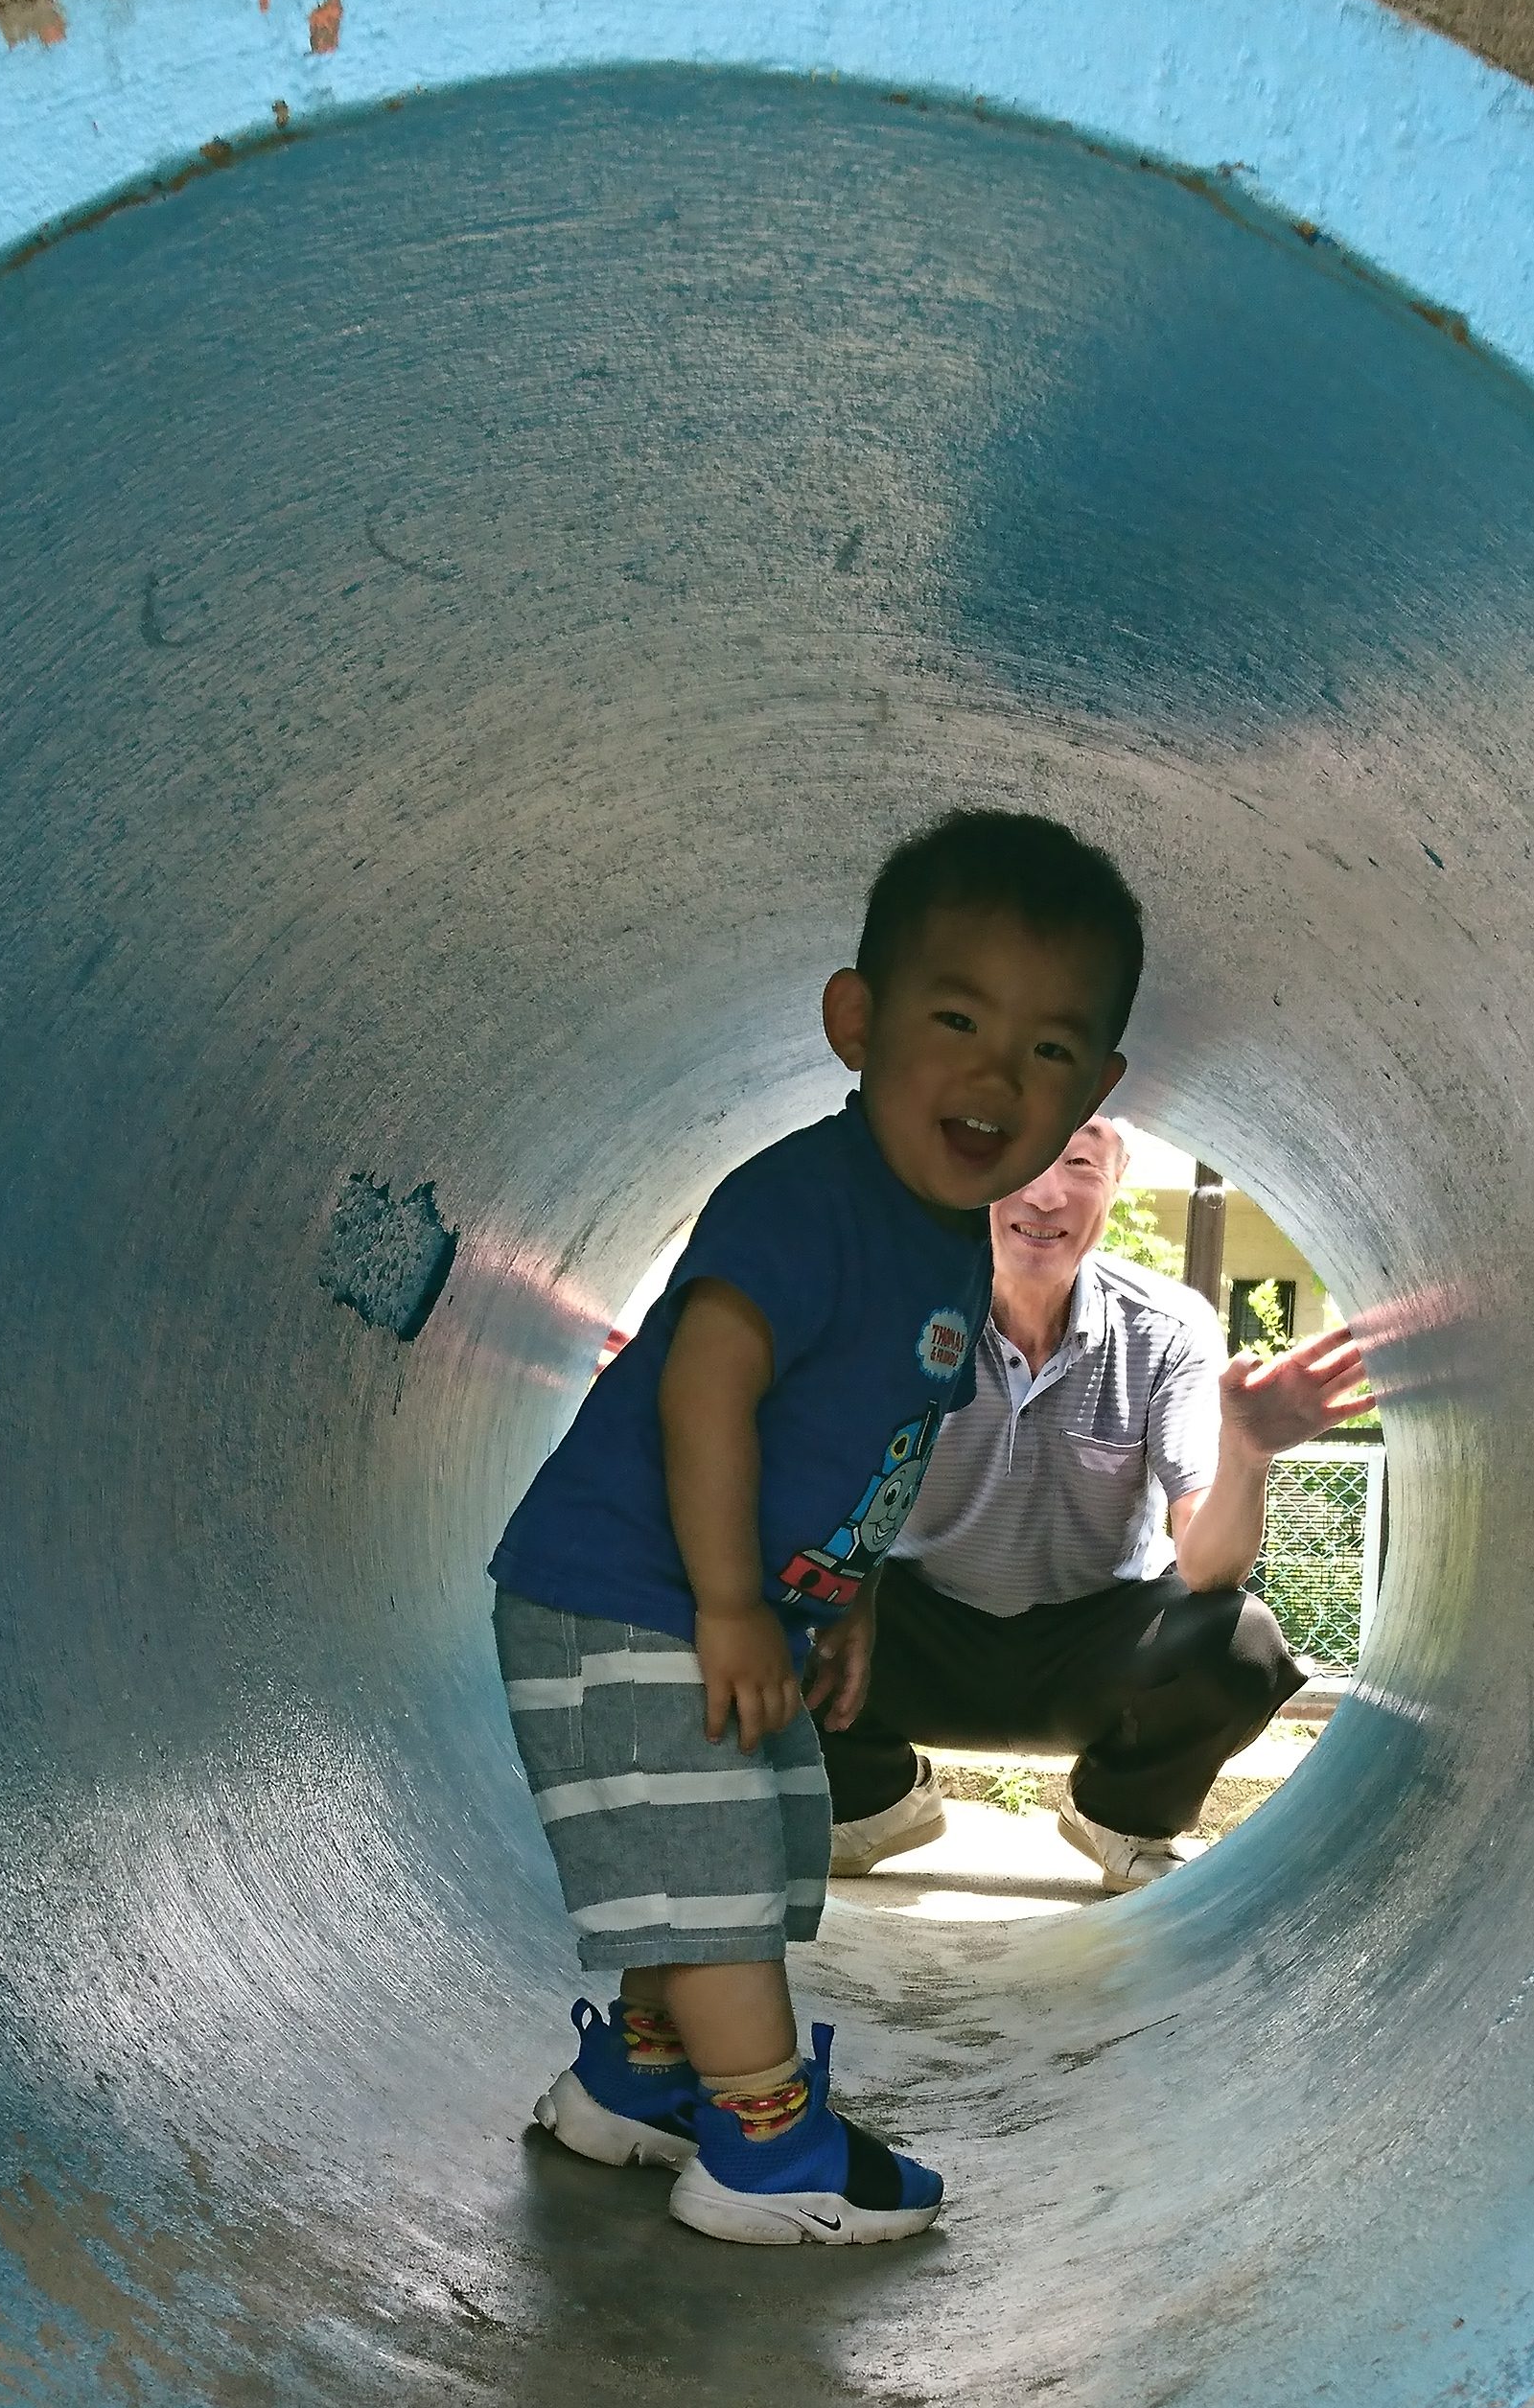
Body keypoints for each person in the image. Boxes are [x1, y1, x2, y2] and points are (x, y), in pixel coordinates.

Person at [488, 808, 1146, 2243]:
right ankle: (764, 2147)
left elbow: (868, 1442)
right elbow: (707, 1385)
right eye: (956, 1019)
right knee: (714, 1872)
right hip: (628, 1591)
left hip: (717, 1603)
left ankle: (640, 2082)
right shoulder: (808, 1200)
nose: (995, 1075)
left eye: (1047, 1048)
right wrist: (731, 1604)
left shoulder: (945, 1240)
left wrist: (844, 1600)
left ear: (1095, 1087)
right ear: (857, 1021)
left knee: (744, 1845)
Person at [812, 1119, 1373, 1885]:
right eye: (1023, 1160)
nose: (1045, 1194)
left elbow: (1209, 1569)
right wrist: (848, 1591)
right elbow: (825, 1488)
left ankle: (1121, 1814)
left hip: (1097, 1646)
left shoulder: (1168, 1328)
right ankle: (874, 1800)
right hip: (916, 1637)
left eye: (1078, 1162)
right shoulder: (901, 1307)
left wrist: (1248, 1454)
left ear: (1116, 1181)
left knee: (1241, 1640)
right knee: (770, 1592)